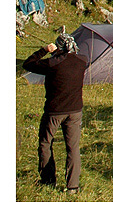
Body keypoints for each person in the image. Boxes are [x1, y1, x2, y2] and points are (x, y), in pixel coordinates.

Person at [23, 33, 88, 194]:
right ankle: (73, 186)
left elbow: (28, 64)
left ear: (58, 48)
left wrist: (44, 50)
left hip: (54, 111)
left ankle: (48, 181)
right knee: (72, 148)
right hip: (75, 111)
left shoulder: (53, 63)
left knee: (46, 143)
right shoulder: (83, 61)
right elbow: (72, 58)